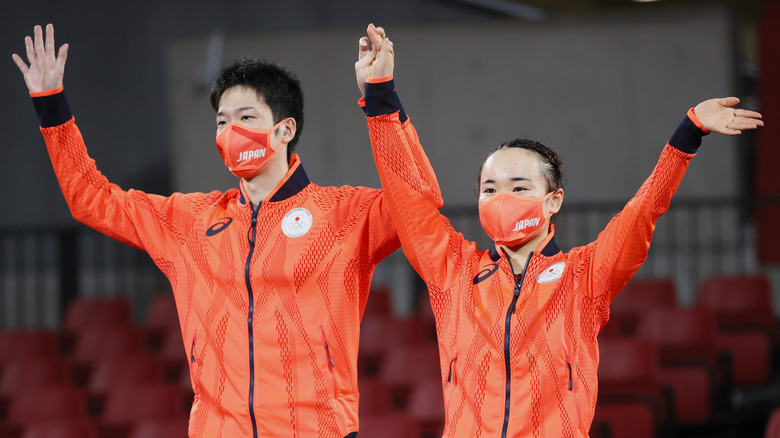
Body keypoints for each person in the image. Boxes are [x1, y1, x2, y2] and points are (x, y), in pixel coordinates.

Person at [13, 23, 441, 438]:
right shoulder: (189, 222)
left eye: (245, 116)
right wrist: (52, 106)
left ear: (285, 129)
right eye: (221, 121)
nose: (229, 131)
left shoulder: (345, 214)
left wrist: (381, 100)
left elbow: (421, 201)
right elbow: (92, 200)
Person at [356, 24, 764, 437]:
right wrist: (380, 96)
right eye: (489, 189)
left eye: (519, 187)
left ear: (553, 200)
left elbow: (643, 211)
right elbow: (406, 196)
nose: (502, 198)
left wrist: (688, 133)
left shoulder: (584, 276)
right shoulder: (455, 274)